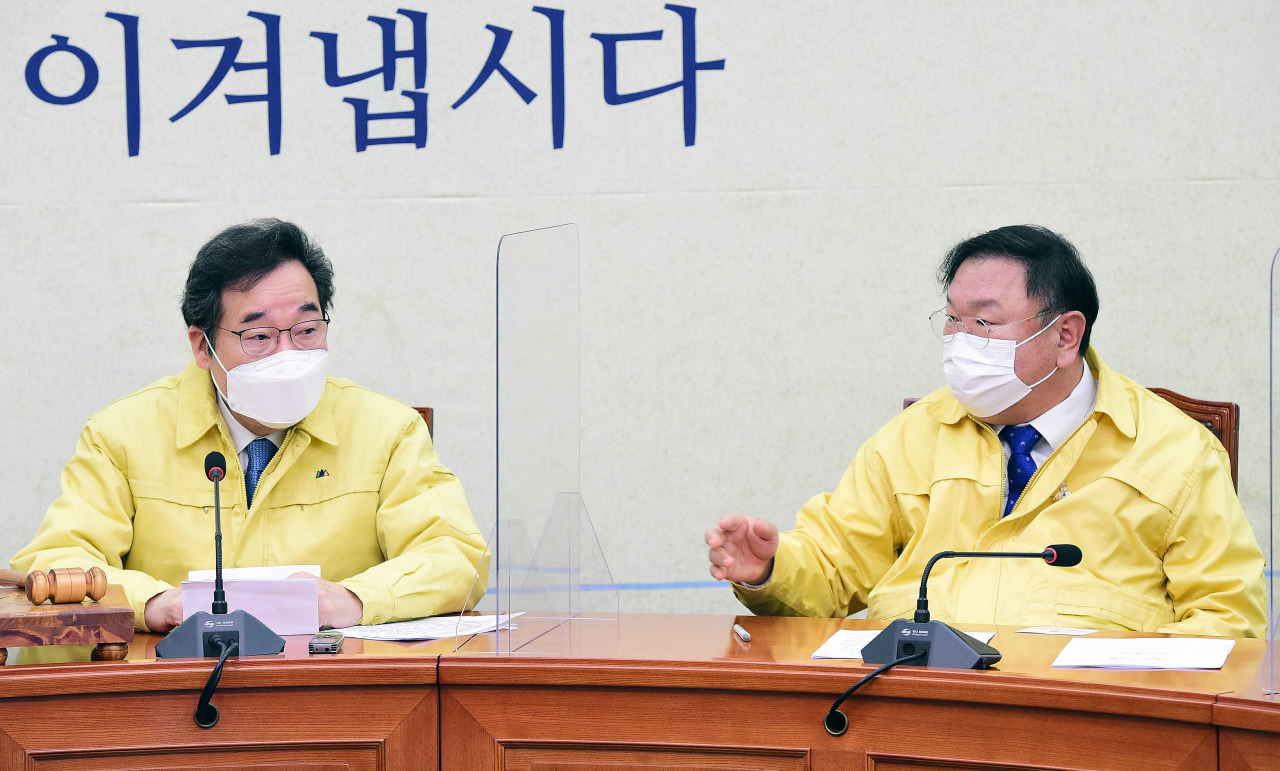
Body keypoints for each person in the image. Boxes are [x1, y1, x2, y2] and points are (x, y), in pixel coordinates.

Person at [706, 225, 1266, 638]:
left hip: (1087, 725)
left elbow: (1228, 619)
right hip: (913, 713)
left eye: (984, 322)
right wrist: (772, 569)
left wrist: (1111, 681)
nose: (959, 340)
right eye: (951, 319)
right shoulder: (913, 436)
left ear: (1066, 335)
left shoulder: (1176, 451)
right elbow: (833, 568)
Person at [12, 218, 487, 632]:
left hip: (337, 695)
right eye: (258, 336)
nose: (288, 355)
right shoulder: (122, 435)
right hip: (171, 694)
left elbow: (457, 557)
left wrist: (356, 600)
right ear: (203, 347)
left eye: (307, 330)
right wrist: (153, 603)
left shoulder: (388, 431)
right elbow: (54, 563)